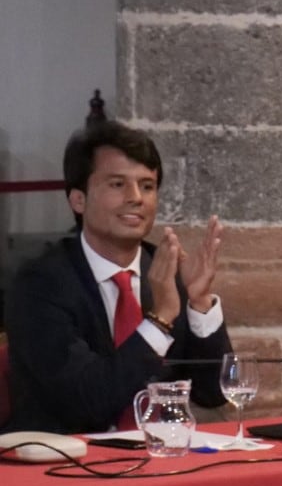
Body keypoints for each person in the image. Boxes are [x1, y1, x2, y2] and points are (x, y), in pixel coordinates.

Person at [3, 121, 229, 433]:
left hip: (155, 461)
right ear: (78, 199)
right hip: (61, 465)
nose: (136, 197)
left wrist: (200, 302)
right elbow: (86, 401)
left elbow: (213, 392)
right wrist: (160, 320)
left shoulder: (166, 271)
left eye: (147, 186)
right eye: (117, 184)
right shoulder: (39, 284)